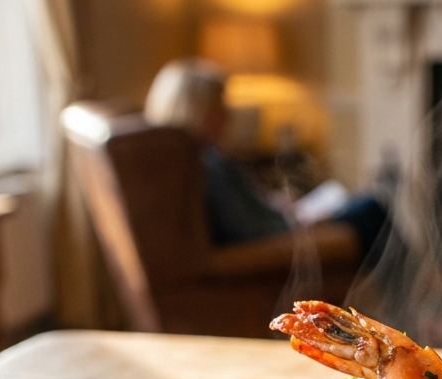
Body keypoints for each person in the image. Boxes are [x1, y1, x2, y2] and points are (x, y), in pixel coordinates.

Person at [143, 58, 387, 253]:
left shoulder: (184, 158)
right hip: (278, 241)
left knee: (360, 205)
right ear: (197, 110)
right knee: (370, 209)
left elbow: (241, 213)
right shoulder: (208, 163)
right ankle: (415, 297)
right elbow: (247, 230)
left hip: (281, 222)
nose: (227, 115)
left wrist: (276, 203)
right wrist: (298, 222)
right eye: (219, 107)